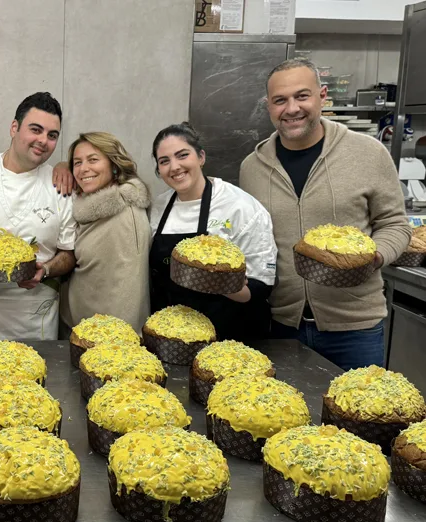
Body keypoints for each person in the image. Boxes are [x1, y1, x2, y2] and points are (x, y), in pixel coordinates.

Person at [240, 58, 411, 369]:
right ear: (269, 106)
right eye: (280, 100)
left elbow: (395, 224)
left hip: (355, 328)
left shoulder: (368, 153)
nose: (291, 108)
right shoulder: (252, 167)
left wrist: (374, 257)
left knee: (358, 415)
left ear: (322, 95)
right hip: (281, 324)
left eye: (302, 96)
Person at [0, 92, 77, 341]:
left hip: (34, 318)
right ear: (14, 128)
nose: (43, 141)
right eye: (36, 130)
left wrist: (47, 269)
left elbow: (69, 253)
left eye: (52, 135)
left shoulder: (60, 185)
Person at [149, 123, 277, 341]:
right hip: (172, 336)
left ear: (201, 157)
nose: (174, 167)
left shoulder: (240, 206)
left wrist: (215, 281)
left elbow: (260, 285)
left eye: (182, 155)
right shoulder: (157, 208)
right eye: (164, 161)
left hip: (231, 332)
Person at [59, 132, 152, 333]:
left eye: (93, 160)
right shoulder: (84, 206)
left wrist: (118, 340)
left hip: (111, 337)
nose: (84, 169)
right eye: (77, 163)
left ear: (114, 164)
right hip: (77, 323)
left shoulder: (127, 212)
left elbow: (127, 290)